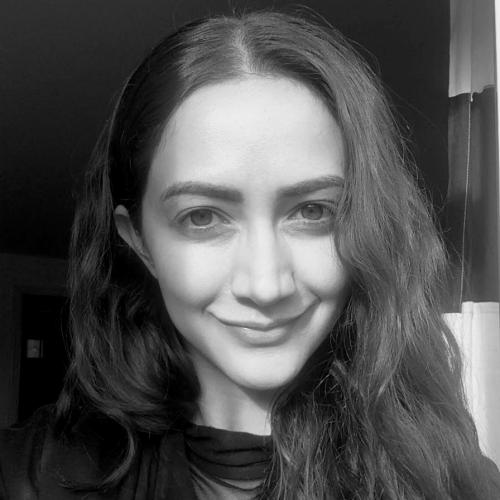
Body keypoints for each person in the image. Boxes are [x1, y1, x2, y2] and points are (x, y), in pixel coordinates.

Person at [1, 8, 499, 500]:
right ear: (141, 243)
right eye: (202, 217)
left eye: (313, 211)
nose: (266, 286)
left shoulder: (457, 482)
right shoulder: (31, 476)